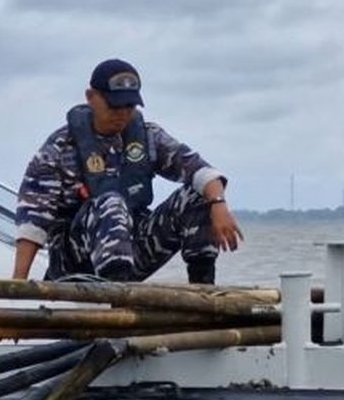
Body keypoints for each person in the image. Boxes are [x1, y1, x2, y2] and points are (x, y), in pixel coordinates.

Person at [13, 58, 243, 284]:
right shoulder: (59, 149)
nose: (122, 114)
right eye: (114, 105)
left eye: (129, 106)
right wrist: (18, 286)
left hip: (133, 251)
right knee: (111, 202)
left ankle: (203, 291)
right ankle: (117, 302)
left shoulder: (147, 137)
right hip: (75, 260)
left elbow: (201, 171)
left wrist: (218, 203)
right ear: (91, 97)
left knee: (200, 194)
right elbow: (33, 223)